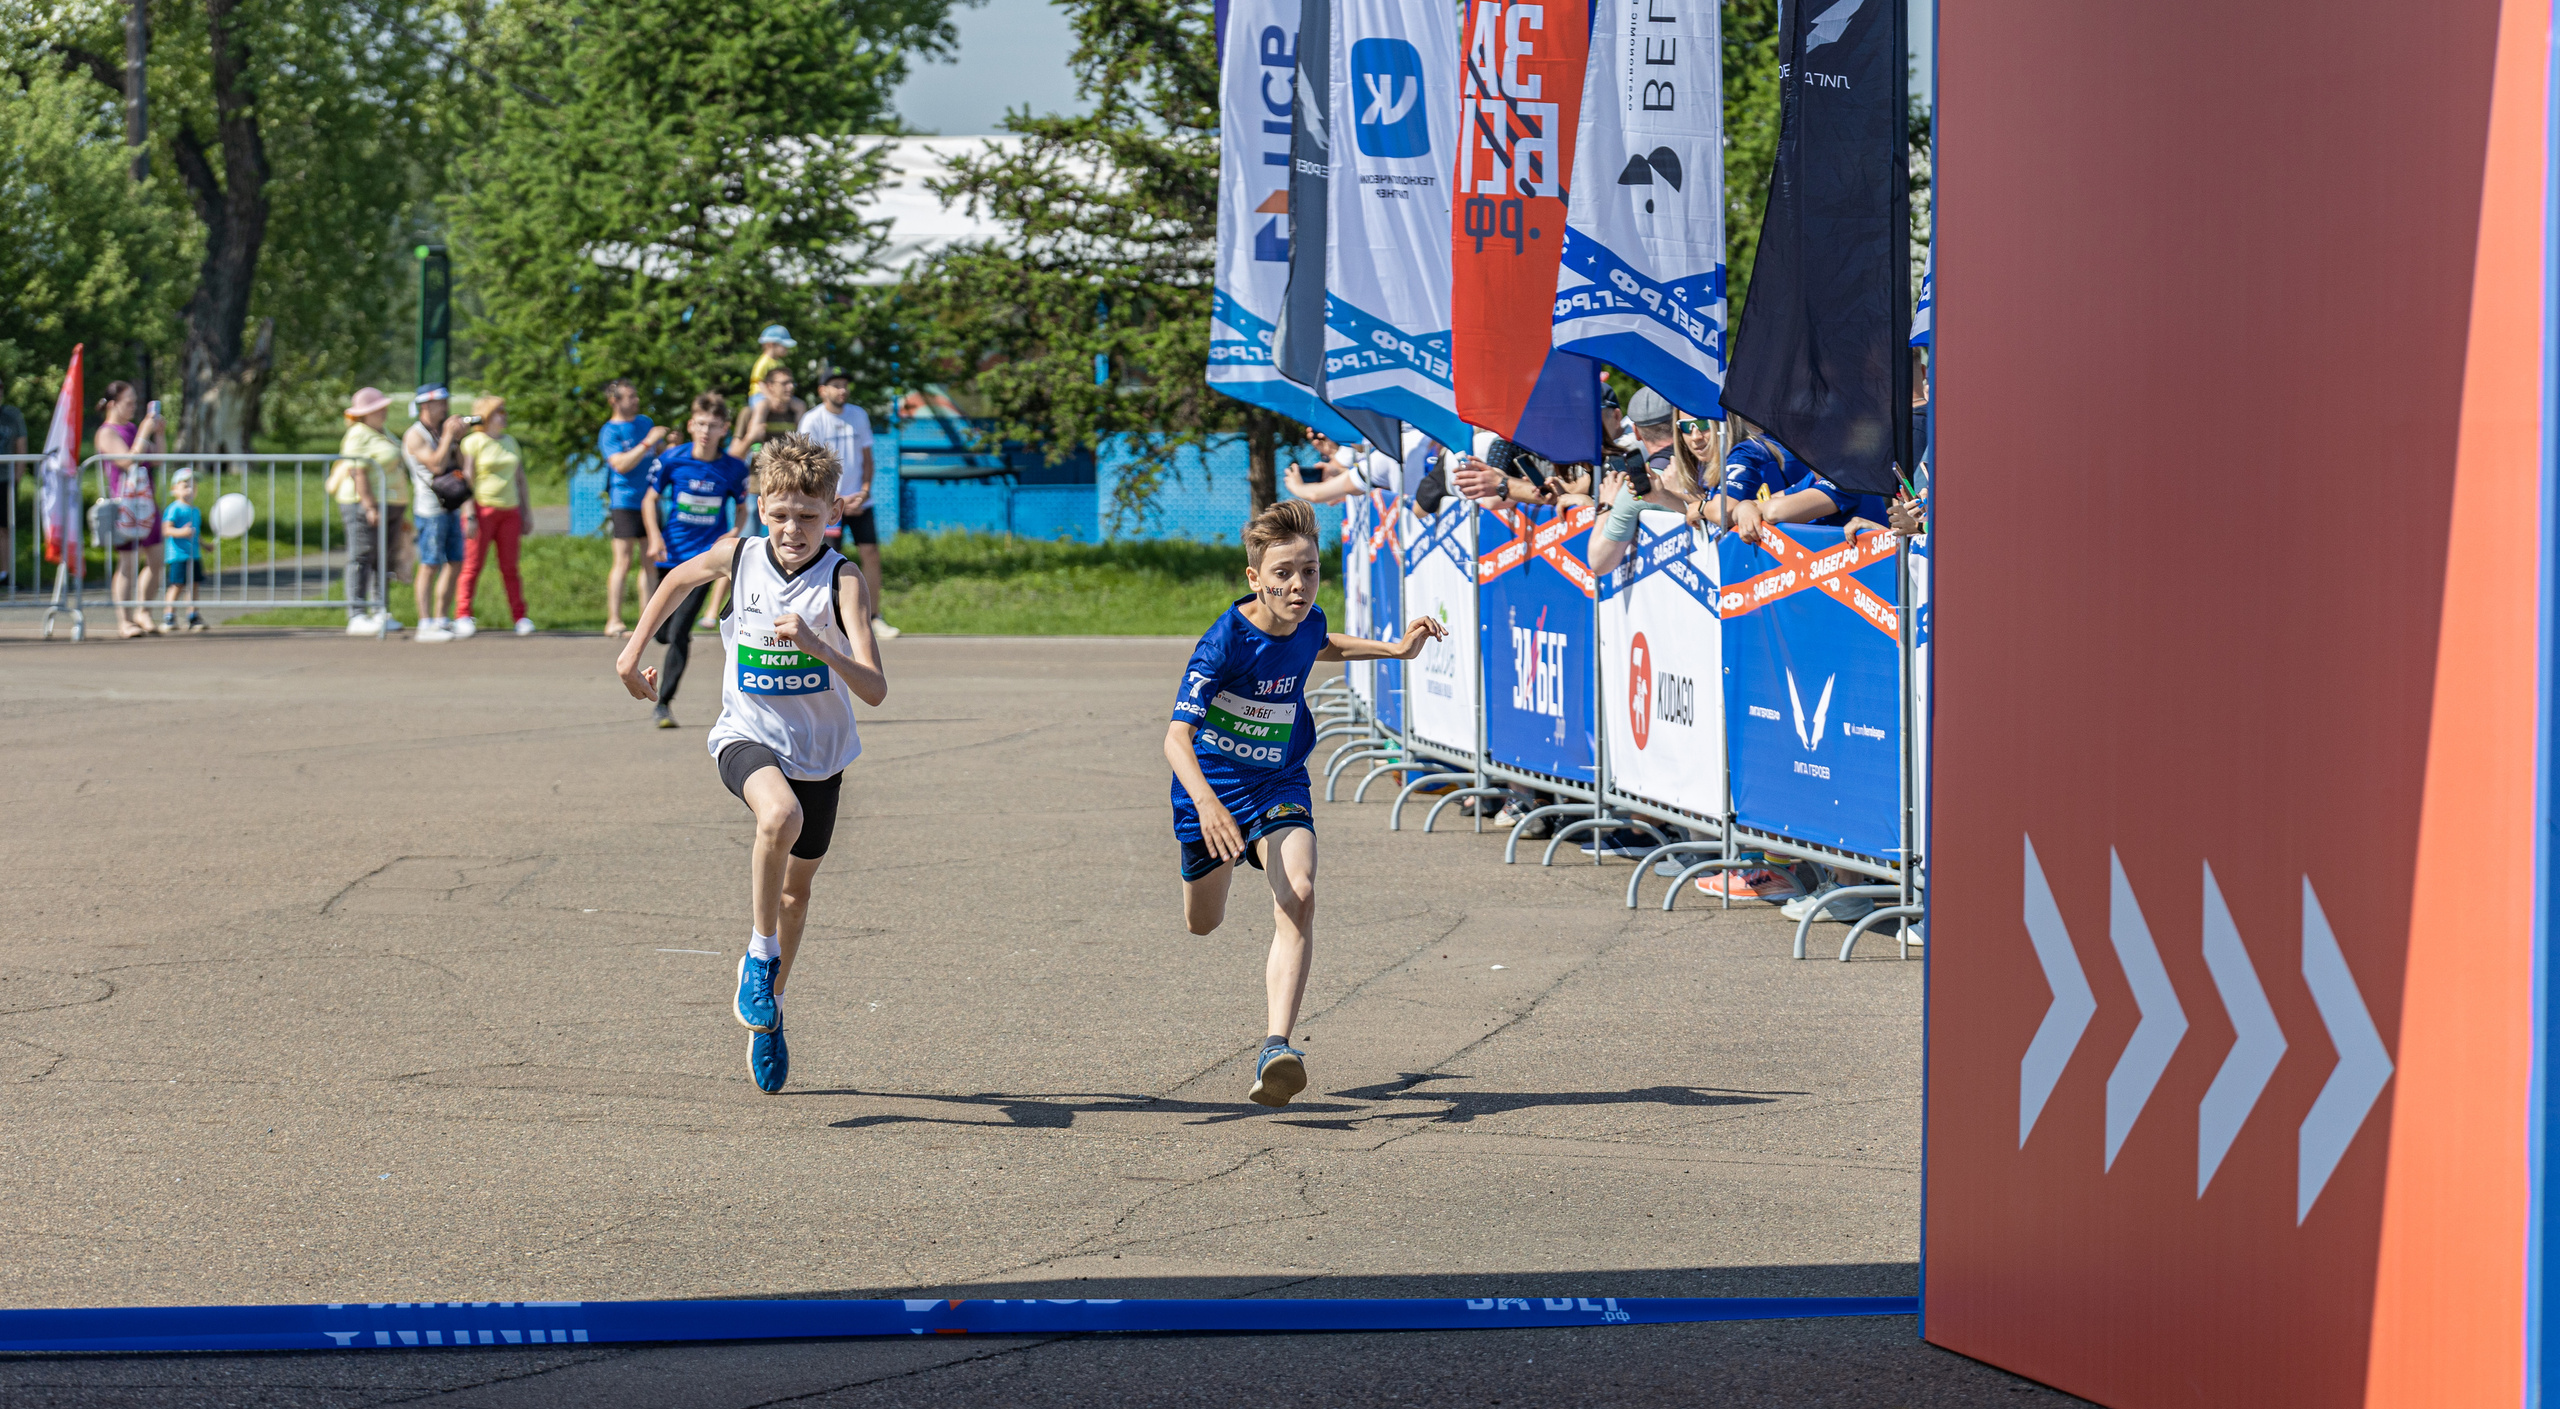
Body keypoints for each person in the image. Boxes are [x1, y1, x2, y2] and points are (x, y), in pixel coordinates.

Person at [613, 432, 887, 1095]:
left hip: (821, 755)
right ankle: (757, 955)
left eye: (808, 515)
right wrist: (630, 654)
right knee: (778, 815)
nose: (793, 527)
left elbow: (874, 687)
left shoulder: (841, 578)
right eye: (780, 512)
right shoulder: (739, 557)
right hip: (746, 735)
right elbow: (677, 578)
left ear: (832, 513)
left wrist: (824, 646)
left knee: (798, 892)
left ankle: (770, 1013)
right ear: (760, 505)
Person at [1166, 498, 1445, 1108]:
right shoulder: (1223, 644)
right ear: (1254, 579)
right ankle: (1220, 856)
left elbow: (1323, 643)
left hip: (1279, 780)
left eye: (1311, 571)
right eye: (1283, 575)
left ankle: (1276, 1047)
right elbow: (1175, 737)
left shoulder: (1308, 618)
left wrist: (1395, 650)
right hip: (1212, 789)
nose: (1298, 586)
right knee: (1201, 922)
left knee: (1301, 891)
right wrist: (1210, 806)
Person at [640, 392, 753, 727]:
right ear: (691, 425)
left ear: (724, 429)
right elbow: (650, 499)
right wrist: (655, 536)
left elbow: (744, 507)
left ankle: (664, 703)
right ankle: (659, 635)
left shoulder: (732, 468)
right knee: (661, 631)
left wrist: (731, 532)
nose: (706, 431)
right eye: (701, 424)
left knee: (680, 632)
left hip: (702, 563)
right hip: (668, 555)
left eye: (713, 426)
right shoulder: (672, 459)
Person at [796, 371, 899, 639]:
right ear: (822, 391)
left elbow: (867, 458)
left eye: (845, 386)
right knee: (827, 561)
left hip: (860, 501)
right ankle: (829, 619)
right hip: (829, 504)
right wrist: (836, 500)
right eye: (836, 386)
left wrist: (864, 492)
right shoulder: (812, 419)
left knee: (871, 554)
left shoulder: (858, 415)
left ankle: (875, 616)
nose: (842, 391)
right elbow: (809, 465)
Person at [454, 396, 535, 638]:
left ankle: (519, 616)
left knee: (510, 567)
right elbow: (467, 479)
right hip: (482, 509)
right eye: (499, 411)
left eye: (504, 411)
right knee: (472, 565)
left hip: (509, 510)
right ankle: (463, 614)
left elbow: (520, 479)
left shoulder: (510, 442)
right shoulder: (473, 442)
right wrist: (469, 513)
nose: (504, 415)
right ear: (486, 416)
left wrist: (526, 512)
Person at [330, 386, 405, 636]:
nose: (383, 412)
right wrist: (369, 505)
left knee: (383, 558)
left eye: (383, 407)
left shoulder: (383, 433)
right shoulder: (358, 434)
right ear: (365, 413)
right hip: (362, 503)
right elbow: (357, 470)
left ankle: (380, 608)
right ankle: (357, 612)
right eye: (377, 408)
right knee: (362, 555)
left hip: (392, 503)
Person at [599, 378, 669, 638]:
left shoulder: (645, 423)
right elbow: (621, 464)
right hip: (625, 501)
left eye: (636, 395)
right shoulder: (610, 431)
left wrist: (666, 443)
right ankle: (614, 620)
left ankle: (645, 621)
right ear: (614, 401)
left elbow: (659, 454)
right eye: (629, 396)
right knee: (623, 561)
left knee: (651, 561)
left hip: (650, 500)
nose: (635, 400)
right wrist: (648, 443)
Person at [93, 381, 165, 638]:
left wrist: (158, 432)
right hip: (124, 504)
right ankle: (124, 620)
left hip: (146, 502)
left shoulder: (134, 428)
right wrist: (144, 432)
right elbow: (126, 460)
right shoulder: (107, 432)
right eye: (129, 403)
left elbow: (156, 459)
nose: (134, 407)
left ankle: (143, 611)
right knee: (128, 562)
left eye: (136, 402)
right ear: (113, 404)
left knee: (156, 559)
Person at [403, 386, 470, 643]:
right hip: (430, 509)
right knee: (430, 563)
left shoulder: (440, 431)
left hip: (450, 505)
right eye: (440, 403)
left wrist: (457, 439)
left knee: (455, 561)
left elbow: (460, 465)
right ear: (426, 405)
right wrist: (447, 437)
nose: (445, 407)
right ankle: (424, 622)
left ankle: (442, 618)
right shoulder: (415, 435)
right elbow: (436, 464)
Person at [159, 468, 206, 632]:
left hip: (194, 555)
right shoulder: (174, 508)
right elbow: (166, 530)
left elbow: (196, 532)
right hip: (178, 555)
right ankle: (169, 615)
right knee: (177, 585)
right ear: (174, 490)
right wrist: (182, 532)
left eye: (193, 486)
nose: (190, 489)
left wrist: (205, 545)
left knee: (194, 585)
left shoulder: (196, 510)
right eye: (185, 485)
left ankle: (193, 615)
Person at [0, 399, 25, 587]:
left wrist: (16, 479)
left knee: (4, 528)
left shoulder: (12, 415)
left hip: (5, 480)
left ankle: (5, 574)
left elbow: (21, 447)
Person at [747, 326, 795, 409]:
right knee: (763, 406)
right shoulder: (763, 362)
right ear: (771, 344)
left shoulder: (780, 362)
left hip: (777, 396)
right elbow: (759, 383)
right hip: (760, 395)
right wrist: (771, 398)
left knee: (799, 404)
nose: (787, 349)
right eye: (784, 345)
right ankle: (757, 422)